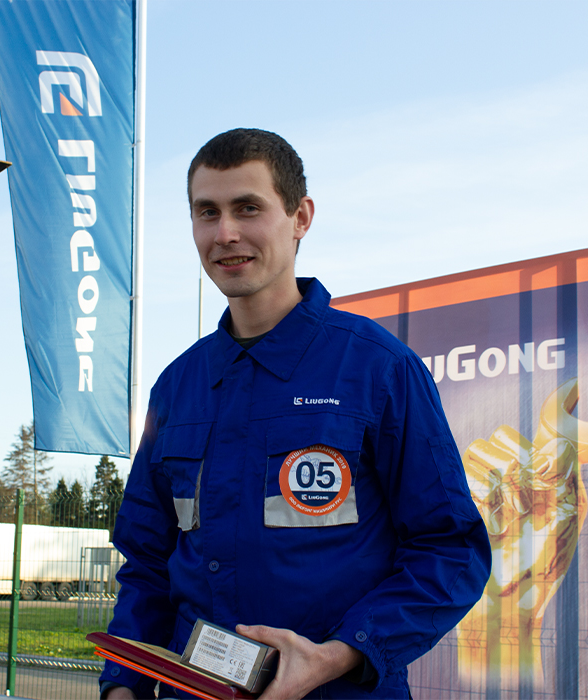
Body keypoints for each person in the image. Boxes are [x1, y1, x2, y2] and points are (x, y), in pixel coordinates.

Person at [99, 128, 490, 700]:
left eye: (247, 208)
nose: (225, 233)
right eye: (207, 212)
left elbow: (450, 549)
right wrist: (123, 686)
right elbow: (147, 562)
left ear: (300, 217)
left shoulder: (378, 369)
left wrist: (340, 654)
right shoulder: (178, 387)